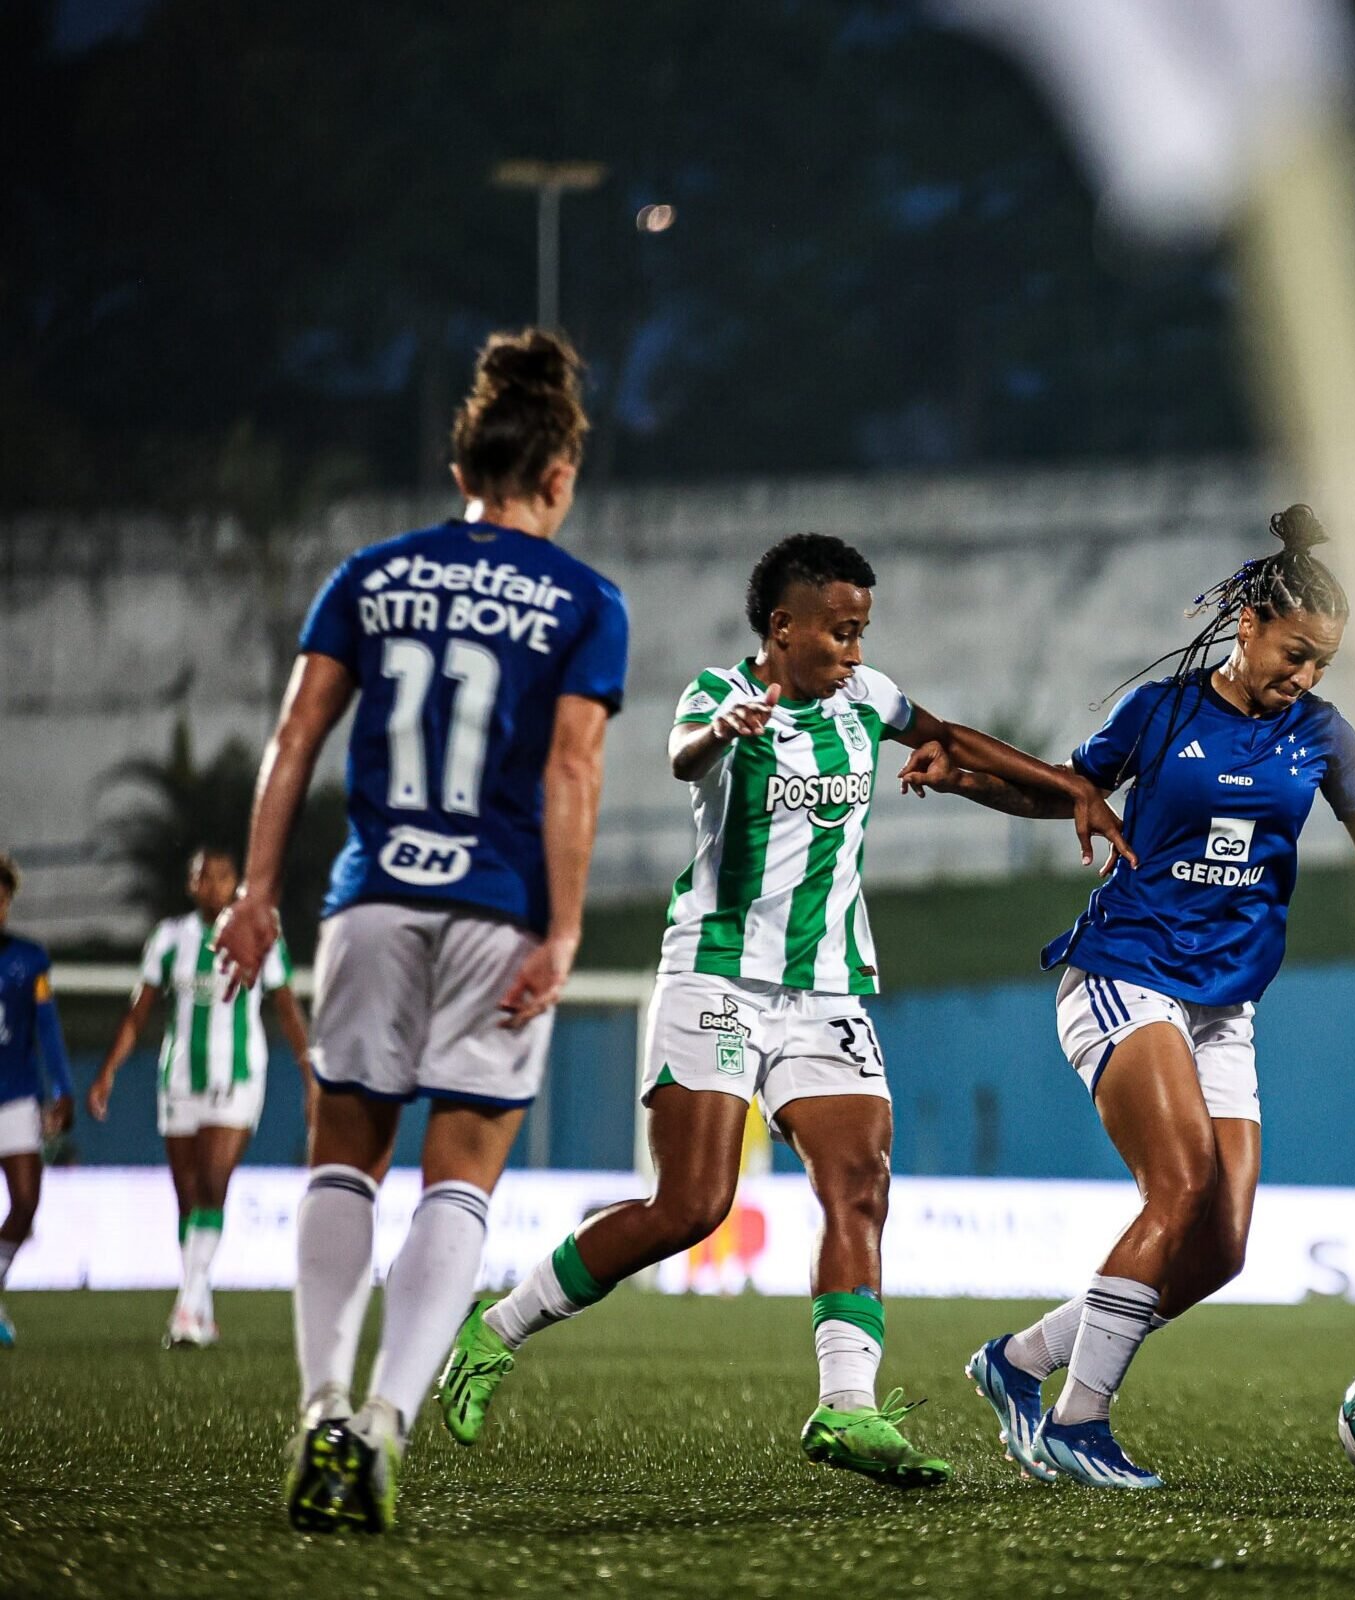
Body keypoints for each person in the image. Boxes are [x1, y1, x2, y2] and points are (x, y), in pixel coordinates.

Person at [436, 532, 1134, 1490]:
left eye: (861, 633)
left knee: (861, 1178)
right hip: (718, 975)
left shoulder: (866, 698)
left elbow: (953, 737)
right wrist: (722, 736)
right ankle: (496, 1327)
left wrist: (1072, 789)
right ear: (783, 627)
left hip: (827, 988)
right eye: (840, 633)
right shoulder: (720, 698)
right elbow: (684, 755)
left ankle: (846, 1410)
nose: (853, 649)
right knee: (693, 1205)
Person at [918, 505, 1355, 1490]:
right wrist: (969, 781)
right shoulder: (1161, 711)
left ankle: (1019, 1361)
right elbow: (1066, 790)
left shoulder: (1320, 734)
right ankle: (1078, 1421)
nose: (1306, 676)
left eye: (1322, 662)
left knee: (1222, 1245)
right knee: (1179, 1184)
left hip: (1223, 1007)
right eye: (1295, 652)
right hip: (1126, 970)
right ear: (1249, 624)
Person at [212, 328, 628, 1534]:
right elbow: (570, 770)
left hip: (372, 897)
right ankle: (386, 1421)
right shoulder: (585, 599)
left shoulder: (371, 572)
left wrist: (253, 893)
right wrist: (560, 926)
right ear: (558, 475)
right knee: (463, 1175)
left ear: (461, 470)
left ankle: (321, 1406)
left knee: (343, 1152)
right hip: (496, 908)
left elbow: (294, 740)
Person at [87, 846, 313, 1347]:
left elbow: (286, 1007)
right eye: (203, 876)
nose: (213, 884)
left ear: (235, 881)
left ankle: (187, 1306)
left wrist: (310, 1077)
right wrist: (107, 1072)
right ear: (191, 884)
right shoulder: (170, 938)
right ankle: (200, 1305)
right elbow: (138, 1012)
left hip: (237, 1076)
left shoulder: (260, 931)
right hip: (179, 1078)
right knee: (189, 1199)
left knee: (213, 1181)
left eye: (222, 875)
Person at [0, 851, 73, 1349]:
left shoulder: (29, 959)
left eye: (1, 897)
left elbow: (47, 1029)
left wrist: (64, 1088)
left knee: (26, 1202)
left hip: (16, 1095)